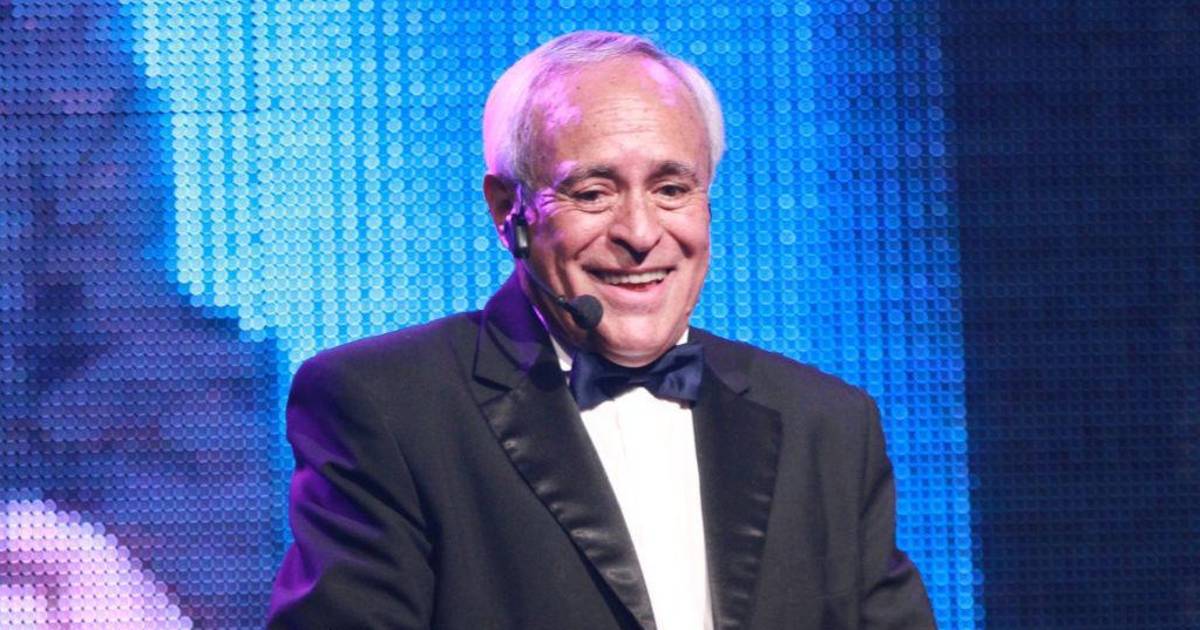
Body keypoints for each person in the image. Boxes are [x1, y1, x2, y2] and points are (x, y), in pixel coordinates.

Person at [268, 31, 935, 630]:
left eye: (671, 189)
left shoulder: (827, 425)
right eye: (593, 193)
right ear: (508, 211)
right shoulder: (387, 407)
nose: (641, 234)